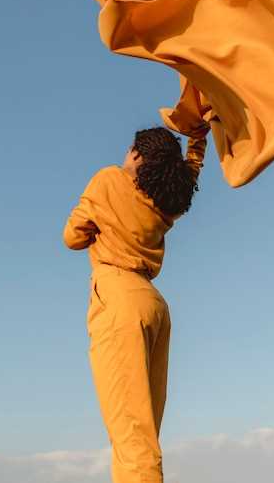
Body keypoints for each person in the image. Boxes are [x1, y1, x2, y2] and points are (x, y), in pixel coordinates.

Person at [63, 124, 209, 483]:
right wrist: (198, 140)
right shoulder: (166, 203)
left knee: (131, 434)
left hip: (118, 299)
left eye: (130, 150)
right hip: (154, 306)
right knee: (143, 432)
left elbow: (72, 237)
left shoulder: (109, 179)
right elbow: (190, 172)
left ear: (138, 155)